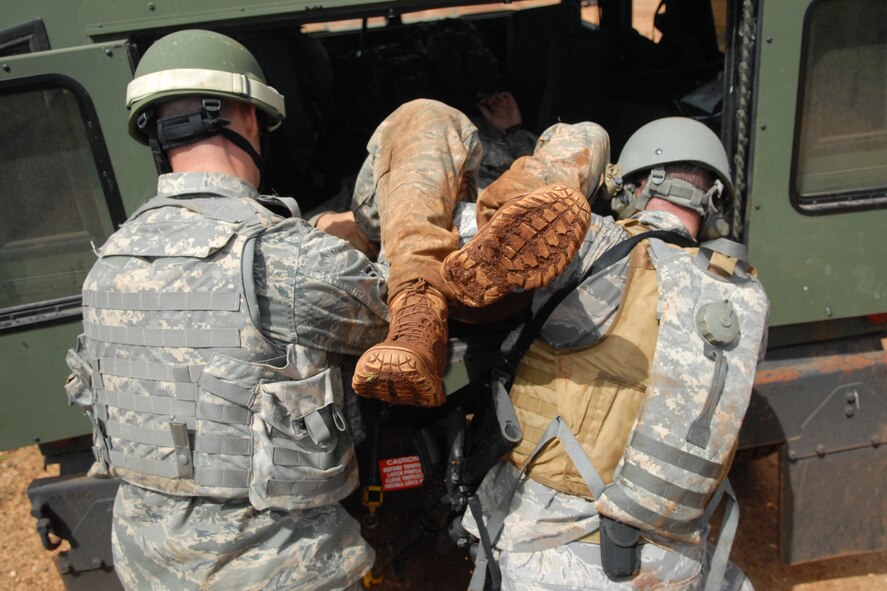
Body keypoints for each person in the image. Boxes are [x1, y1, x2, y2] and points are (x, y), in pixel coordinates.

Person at [63, 30, 392, 591]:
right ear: (246, 117)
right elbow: (397, 313)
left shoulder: (107, 263)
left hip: (148, 567)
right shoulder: (284, 255)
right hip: (278, 569)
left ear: (154, 134)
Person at [453, 117, 769, 590]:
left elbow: (479, 240)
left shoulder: (594, 245)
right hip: (672, 566)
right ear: (714, 202)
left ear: (635, 186)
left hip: (550, 551)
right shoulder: (745, 298)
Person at [348, 98, 607, 407]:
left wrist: (514, 128)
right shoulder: (424, 134)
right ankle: (419, 303)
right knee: (425, 113)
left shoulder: (513, 141)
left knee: (587, 133)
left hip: (488, 221)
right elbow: (345, 220)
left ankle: (498, 252)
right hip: (415, 207)